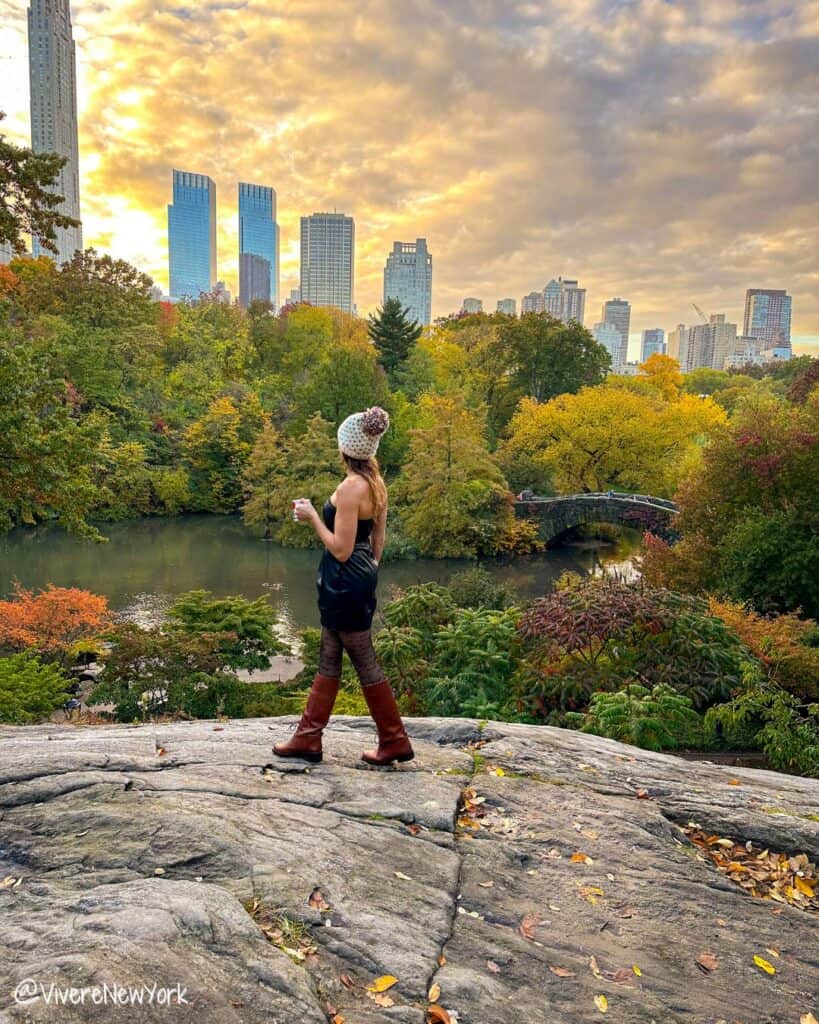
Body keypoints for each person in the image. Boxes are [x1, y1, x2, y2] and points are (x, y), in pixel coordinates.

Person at [273, 406, 414, 767]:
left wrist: (313, 518)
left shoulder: (351, 487)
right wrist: (369, 569)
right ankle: (308, 738)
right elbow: (377, 540)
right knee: (330, 654)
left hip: (343, 579)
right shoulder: (377, 484)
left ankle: (394, 740)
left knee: (363, 659)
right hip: (356, 578)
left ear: (345, 447)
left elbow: (340, 548)